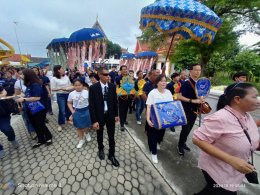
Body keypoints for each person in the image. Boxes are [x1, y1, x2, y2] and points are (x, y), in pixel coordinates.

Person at [193, 82, 260, 195]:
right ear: (237, 99)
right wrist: (231, 160)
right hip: (218, 170)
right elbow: (197, 139)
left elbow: (247, 136)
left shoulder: (246, 116)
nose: (258, 100)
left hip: (234, 172)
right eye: (254, 97)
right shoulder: (221, 118)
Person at [89, 67, 120, 167]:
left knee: (111, 136)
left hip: (110, 115)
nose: (108, 76)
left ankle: (112, 154)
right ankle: (100, 149)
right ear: (99, 75)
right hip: (99, 116)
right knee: (100, 134)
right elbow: (92, 106)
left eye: (108, 74)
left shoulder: (112, 86)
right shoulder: (93, 88)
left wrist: (116, 115)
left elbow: (115, 102)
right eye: (105, 74)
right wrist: (94, 121)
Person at [17, 69, 52, 148]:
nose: (20, 76)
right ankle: (41, 139)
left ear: (28, 75)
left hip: (38, 107)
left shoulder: (35, 85)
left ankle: (48, 137)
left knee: (40, 124)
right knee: (35, 124)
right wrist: (22, 96)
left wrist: (24, 99)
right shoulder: (29, 85)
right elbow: (29, 95)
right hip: (30, 108)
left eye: (22, 74)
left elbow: (37, 97)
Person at [177, 64, 205, 156]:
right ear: (191, 71)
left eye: (199, 70)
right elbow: (179, 96)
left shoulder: (200, 83)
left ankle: (183, 142)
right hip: (186, 110)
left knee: (189, 129)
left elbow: (201, 95)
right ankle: (180, 146)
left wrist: (201, 99)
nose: (198, 72)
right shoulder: (186, 83)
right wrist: (193, 101)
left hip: (195, 111)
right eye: (196, 70)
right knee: (185, 129)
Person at [146, 74, 173, 163]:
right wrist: (148, 119)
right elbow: (149, 107)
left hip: (164, 119)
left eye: (165, 80)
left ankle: (157, 142)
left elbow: (171, 105)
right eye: (161, 81)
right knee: (152, 136)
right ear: (157, 83)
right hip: (153, 118)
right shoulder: (152, 93)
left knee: (160, 135)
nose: (163, 82)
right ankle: (153, 153)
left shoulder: (168, 92)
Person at [67, 79, 92, 149]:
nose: (78, 87)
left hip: (86, 111)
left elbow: (91, 102)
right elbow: (69, 103)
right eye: (76, 85)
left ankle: (87, 133)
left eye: (79, 85)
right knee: (78, 127)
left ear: (82, 85)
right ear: (73, 86)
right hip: (77, 112)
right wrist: (72, 111)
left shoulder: (86, 92)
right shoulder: (71, 94)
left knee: (86, 126)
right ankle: (81, 140)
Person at [14, 69, 37, 140]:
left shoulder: (32, 81)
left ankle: (39, 129)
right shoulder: (18, 83)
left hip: (34, 102)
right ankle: (32, 132)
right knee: (27, 118)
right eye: (20, 74)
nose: (21, 75)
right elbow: (16, 95)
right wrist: (19, 105)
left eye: (23, 74)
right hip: (24, 103)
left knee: (36, 117)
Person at [51, 65, 73, 131]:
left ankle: (68, 119)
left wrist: (71, 88)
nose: (63, 69)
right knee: (62, 110)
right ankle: (60, 124)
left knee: (68, 108)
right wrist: (61, 88)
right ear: (58, 70)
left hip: (68, 94)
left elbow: (70, 84)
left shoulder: (66, 76)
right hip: (60, 95)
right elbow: (52, 89)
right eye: (62, 68)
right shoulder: (54, 79)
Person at [0, 87, 19, 159]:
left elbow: (5, 93)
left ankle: (12, 139)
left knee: (7, 130)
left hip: (3, 116)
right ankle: (0, 149)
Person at [115, 65, 134, 131]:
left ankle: (124, 119)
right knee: (121, 111)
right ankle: (122, 124)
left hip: (128, 96)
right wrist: (118, 94)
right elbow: (117, 87)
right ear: (120, 70)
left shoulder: (129, 77)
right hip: (121, 97)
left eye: (126, 69)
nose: (125, 70)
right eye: (123, 69)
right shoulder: (118, 78)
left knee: (126, 110)